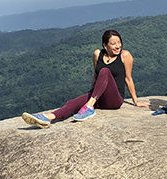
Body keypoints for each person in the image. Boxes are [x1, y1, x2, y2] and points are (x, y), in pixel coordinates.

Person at [21, 30, 150, 128]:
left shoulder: (125, 55)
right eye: (113, 43)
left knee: (105, 71)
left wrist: (136, 101)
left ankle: (88, 107)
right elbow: (95, 76)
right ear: (105, 45)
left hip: (114, 100)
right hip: (98, 97)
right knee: (72, 103)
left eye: (119, 43)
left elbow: (128, 78)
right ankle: (47, 118)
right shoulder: (97, 54)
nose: (117, 46)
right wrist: (90, 94)